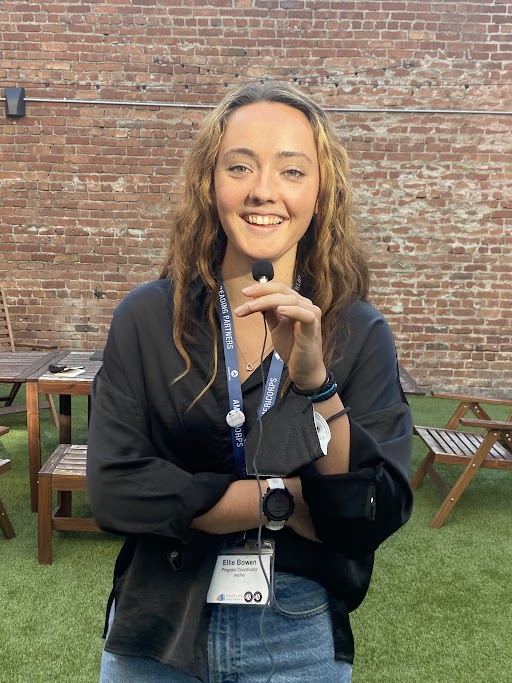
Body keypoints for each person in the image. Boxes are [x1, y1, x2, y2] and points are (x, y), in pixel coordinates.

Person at [87, 80, 413, 683]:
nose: (264, 190)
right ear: (211, 184)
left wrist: (317, 386)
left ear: (321, 193)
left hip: (295, 630)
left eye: (292, 170)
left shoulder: (358, 332)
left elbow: (367, 513)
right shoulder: (147, 319)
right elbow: (115, 488)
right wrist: (281, 500)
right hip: (154, 625)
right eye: (241, 166)